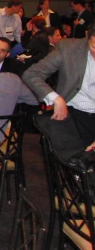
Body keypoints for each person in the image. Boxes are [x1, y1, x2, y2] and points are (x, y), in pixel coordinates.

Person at [23, 22, 95, 158]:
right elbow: (32, 74)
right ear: (86, 36)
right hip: (73, 116)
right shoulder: (69, 48)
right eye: (94, 47)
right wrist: (55, 98)